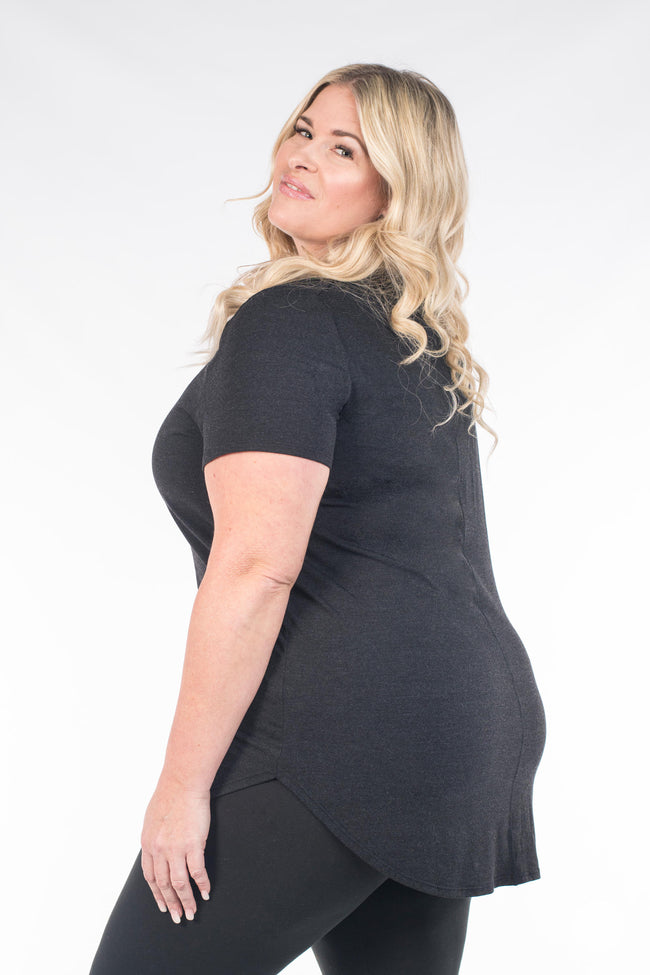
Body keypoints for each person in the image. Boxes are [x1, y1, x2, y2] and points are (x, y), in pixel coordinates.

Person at [89, 63, 546, 975]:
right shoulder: (404, 331)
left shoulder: (291, 321)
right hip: (457, 719)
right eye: (303, 130)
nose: (302, 156)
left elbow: (258, 565)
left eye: (345, 150)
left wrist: (181, 786)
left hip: (349, 723)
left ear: (394, 191)